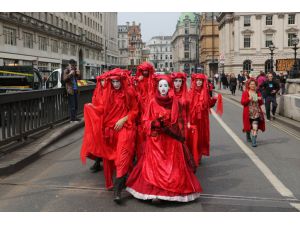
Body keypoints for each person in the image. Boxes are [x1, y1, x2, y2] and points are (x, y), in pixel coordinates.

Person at [126, 75, 202, 203]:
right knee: (154, 167)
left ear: (169, 87)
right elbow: (145, 120)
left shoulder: (175, 102)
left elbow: (179, 121)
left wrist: (173, 129)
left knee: (171, 166)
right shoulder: (152, 102)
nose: (163, 88)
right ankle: (155, 191)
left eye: (165, 86)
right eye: (160, 86)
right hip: (156, 141)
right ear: (157, 87)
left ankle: (169, 191)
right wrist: (153, 123)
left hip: (171, 139)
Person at [84, 68, 138, 203]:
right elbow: (102, 110)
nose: (115, 84)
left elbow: (135, 111)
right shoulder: (107, 95)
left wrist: (123, 119)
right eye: (113, 81)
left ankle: (117, 191)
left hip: (125, 128)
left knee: (122, 157)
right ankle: (126, 179)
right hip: (110, 130)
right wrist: (91, 108)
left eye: (117, 81)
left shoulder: (129, 92)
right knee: (111, 159)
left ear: (121, 80)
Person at [188, 74, 222, 165]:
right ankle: (191, 154)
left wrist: (214, 99)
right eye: (197, 80)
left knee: (201, 138)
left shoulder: (205, 92)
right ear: (194, 81)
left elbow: (208, 105)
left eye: (201, 80)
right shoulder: (190, 92)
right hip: (192, 119)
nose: (199, 82)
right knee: (192, 138)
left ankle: (198, 155)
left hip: (203, 120)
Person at [80, 72, 108, 173]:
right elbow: (96, 103)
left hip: (106, 120)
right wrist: (91, 106)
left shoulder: (109, 91)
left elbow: (105, 107)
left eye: (104, 80)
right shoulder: (98, 90)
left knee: (104, 142)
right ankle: (98, 161)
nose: (103, 82)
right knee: (96, 140)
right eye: (101, 80)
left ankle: (103, 162)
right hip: (98, 120)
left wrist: (93, 108)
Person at [134, 62, 155, 161]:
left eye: (147, 70)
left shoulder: (152, 79)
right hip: (141, 105)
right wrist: (137, 81)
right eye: (143, 71)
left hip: (149, 105)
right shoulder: (139, 80)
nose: (145, 72)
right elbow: (134, 90)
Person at [241, 79, 265, 147]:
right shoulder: (245, 92)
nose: (252, 85)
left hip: (256, 112)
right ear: (248, 85)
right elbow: (242, 102)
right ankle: (248, 134)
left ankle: (254, 141)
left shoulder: (258, 92)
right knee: (248, 126)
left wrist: (260, 99)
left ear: (256, 85)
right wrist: (249, 99)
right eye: (251, 84)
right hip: (248, 113)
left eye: (254, 84)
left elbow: (261, 103)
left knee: (255, 126)